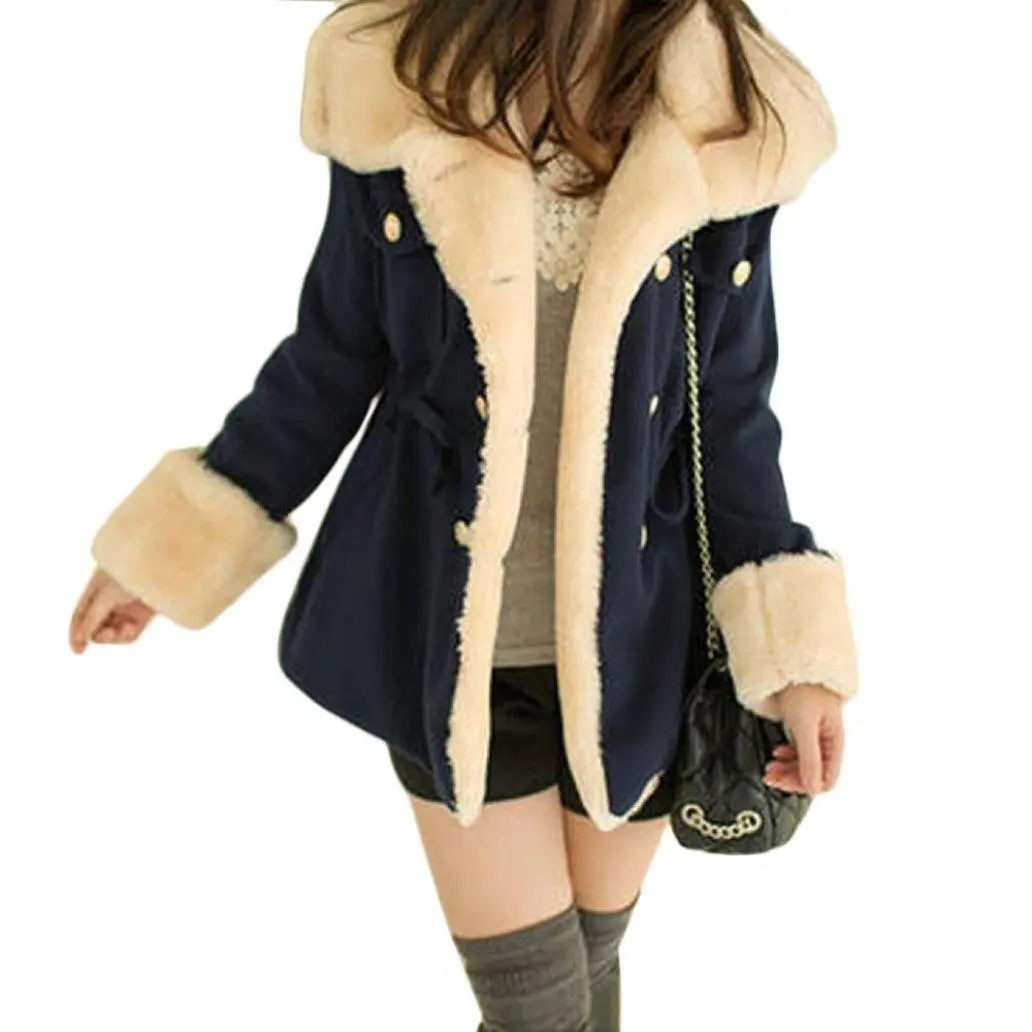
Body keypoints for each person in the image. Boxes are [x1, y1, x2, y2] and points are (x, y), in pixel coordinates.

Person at [69, 1, 860, 1029]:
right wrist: (167, 555)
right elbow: (332, 355)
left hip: (640, 649)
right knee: (541, 1010)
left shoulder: (726, 108)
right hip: (443, 638)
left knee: (585, 989)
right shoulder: (395, 75)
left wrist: (794, 657)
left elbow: (730, 414)